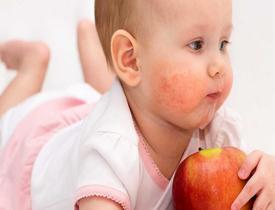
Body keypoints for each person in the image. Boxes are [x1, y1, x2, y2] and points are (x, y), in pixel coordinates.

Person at [0, 1, 274, 210]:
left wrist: (265, 176)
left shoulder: (215, 126)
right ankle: (31, 66)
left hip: (107, 109)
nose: (219, 67)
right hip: (32, 145)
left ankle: (92, 42)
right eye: (197, 45)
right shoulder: (109, 152)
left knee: (122, 94)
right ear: (130, 59)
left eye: (223, 44)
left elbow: (246, 188)